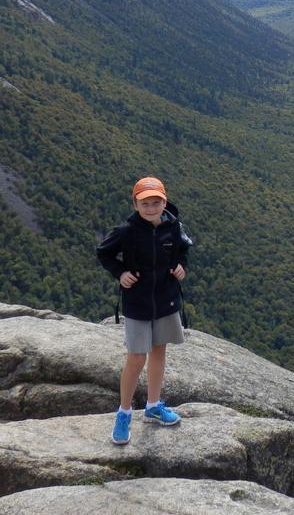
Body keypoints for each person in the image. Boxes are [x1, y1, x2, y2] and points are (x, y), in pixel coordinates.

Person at [97, 176, 192, 445]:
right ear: (135, 203)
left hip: (165, 299)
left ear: (164, 201)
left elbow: (184, 249)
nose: (151, 208)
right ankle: (124, 412)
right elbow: (104, 252)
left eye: (156, 202)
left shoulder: (172, 226)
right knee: (137, 358)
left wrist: (182, 265)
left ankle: (153, 405)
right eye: (145, 203)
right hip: (138, 302)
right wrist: (120, 272)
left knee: (159, 351)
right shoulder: (126, 231)